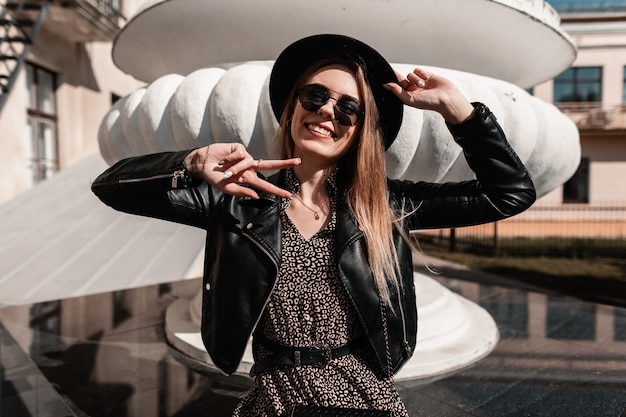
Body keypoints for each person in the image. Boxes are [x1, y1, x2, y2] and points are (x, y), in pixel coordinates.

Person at [92, 34, 536, 416]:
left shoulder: (384, 204)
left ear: (360, 129)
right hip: (275, 396)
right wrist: (188, 162)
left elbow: (508, 194)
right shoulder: (238, 198)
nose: (328, 112)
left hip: (363, 395)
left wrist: (461, 113)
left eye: (348, 108)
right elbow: (111, 187)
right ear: (293, 106)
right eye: (316, 96)